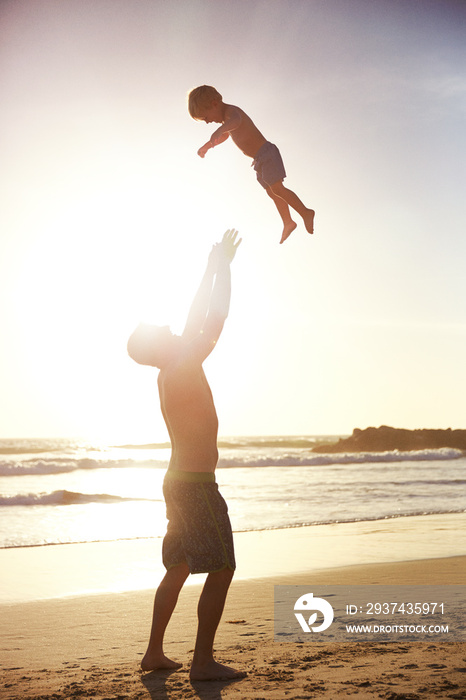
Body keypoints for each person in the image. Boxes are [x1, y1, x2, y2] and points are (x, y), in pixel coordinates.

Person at [127, 229, 245, 682]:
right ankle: (202, 661)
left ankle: (154, 653)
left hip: (176, 482)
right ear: (160, 346)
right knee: (223, 567)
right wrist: (226, 270)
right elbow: (213, 319)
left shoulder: (171, 367)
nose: (173, 327)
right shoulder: (181, 365)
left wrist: (212, 265)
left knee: (179, 565)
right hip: (196, 487)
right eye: (164, 330)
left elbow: (194, 317)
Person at [188, 85, 315, 244]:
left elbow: (237, 121)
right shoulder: (227, 121)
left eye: (205, 117)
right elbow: (226, 135)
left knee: (277, 188)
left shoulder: (231, 112)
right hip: (259, 160)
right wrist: (208, 145)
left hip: (267, 153)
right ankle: (288, 221)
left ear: (214, 104)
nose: (207, 122)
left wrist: (220, 129)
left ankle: (305, 212)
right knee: (272, 192)